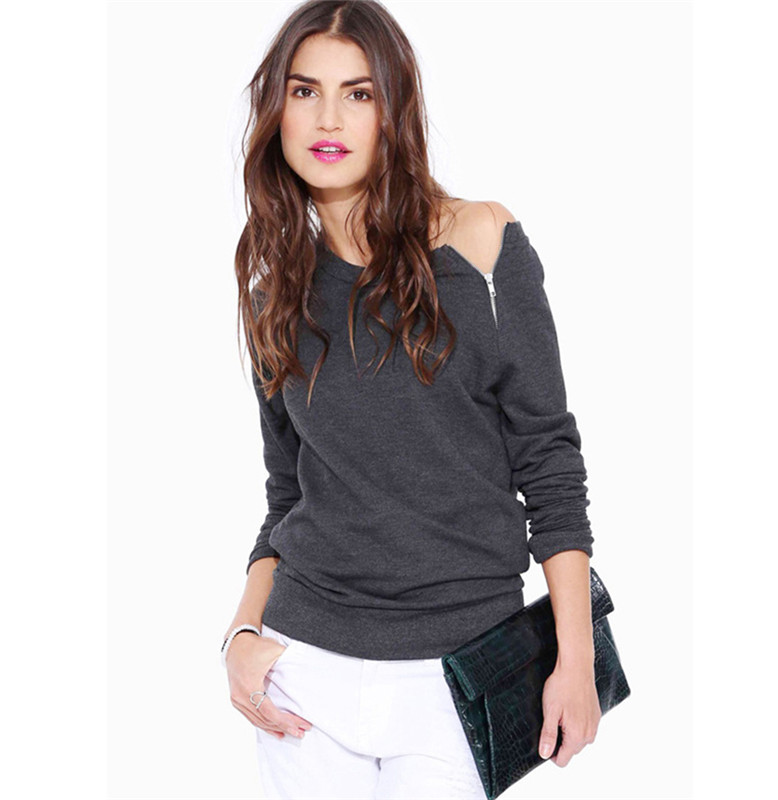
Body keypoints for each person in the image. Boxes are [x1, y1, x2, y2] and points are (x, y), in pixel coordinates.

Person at [221, 1, 602, 797]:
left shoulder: (482, 245)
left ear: (393, 110)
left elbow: (550, 464)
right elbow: (288, 495)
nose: (329, 118)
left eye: (358, 94)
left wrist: (577, 658)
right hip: (305, 675)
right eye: (304, 91)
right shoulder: (273, 294)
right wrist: (242, 634)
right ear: (277, 111)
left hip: (458, 673)